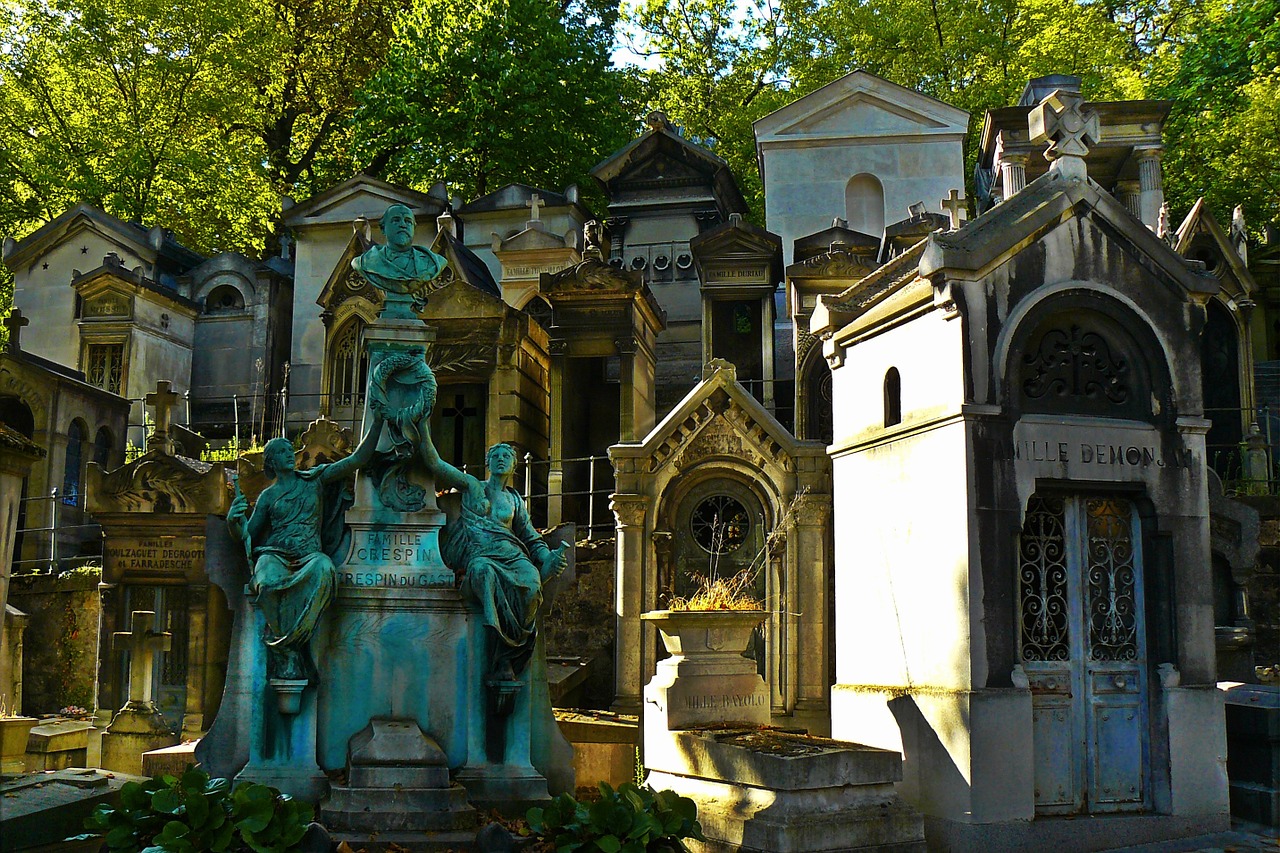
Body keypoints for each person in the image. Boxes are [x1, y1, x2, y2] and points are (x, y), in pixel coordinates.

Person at [227, 413, 383, 678]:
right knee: (266, 581)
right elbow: (248, 535)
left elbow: (357, 460)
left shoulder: (315, 480)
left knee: (325, 571)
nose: (289, 454)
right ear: (272, 462)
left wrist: (377, 421)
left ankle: (291, 644)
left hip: (310, 555)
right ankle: (287, 650)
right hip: (274, 554)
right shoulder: (268, 496)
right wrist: (234, 520)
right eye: (281, 452)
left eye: (290, 449)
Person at [419, 435, 569, 680]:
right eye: (495, 456)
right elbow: (435, 463)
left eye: (506, 456)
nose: (501, 460)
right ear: (488, 463)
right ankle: (499, 659)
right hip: (481, 555)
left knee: (532, 588)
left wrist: (547, 557)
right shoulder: (471, 485)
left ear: (513, 465)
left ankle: (512, 653)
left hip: (513, 555)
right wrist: (422, 427)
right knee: (482, 572)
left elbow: (530, 537)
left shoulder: (515, 500)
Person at [351, 203, 448, 294]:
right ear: (383, 229)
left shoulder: (433, 262)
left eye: (408, 221)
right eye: (396, 220)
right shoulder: (366, 262)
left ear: (414, 229)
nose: (403, 225)